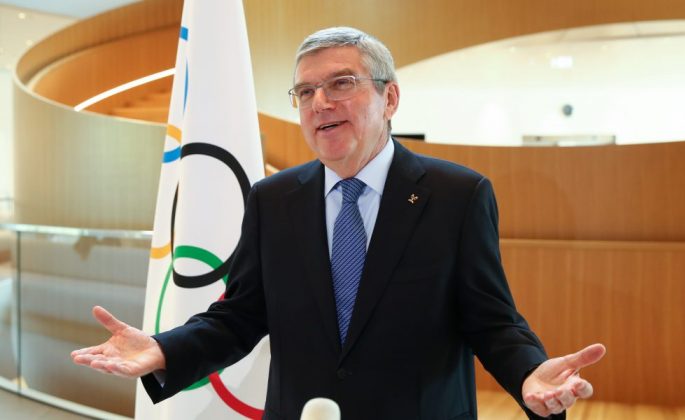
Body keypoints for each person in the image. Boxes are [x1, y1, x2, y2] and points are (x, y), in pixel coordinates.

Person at [72, 27, 605, 419]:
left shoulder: (457, 195)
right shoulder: (272, 199)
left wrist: (528, 372)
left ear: (389, 97)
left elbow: (491, 320)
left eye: (340, 83)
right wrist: (163, 349)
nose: (319, 103)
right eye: (305, 92)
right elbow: (240, 316)